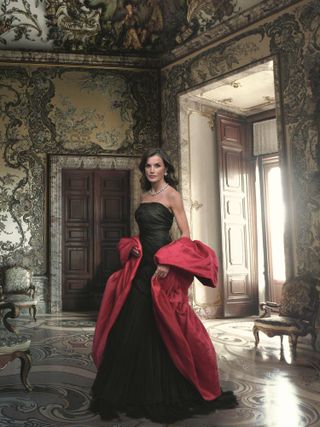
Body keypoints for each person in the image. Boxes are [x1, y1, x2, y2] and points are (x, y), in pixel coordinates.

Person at [90, 147, 237, 423]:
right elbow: (143, 232)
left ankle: (165, 390)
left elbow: (185, 235)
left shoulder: (172, 195)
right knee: (132, 322)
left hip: (161, 266)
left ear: (165, 169)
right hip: (141, 263)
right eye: (148, 166)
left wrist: (169, 262)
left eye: (157, 166)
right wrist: (134, 248)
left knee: (161, 322)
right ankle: (129, 391)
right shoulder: (145, 196)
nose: (152, 170)